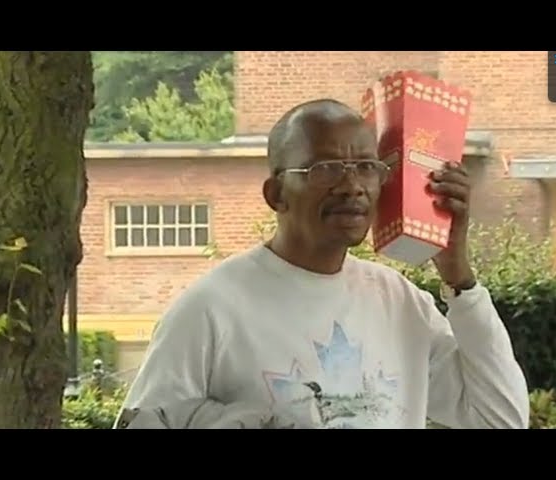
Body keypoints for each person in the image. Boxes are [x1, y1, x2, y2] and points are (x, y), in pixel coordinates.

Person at [113, 98, 530, 429]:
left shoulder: (400, 302)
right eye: (325, 169)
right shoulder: (210, 308)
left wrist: (459, 275)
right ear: (276, 194)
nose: (352, 186)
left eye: (366, 167)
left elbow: (501, 419)